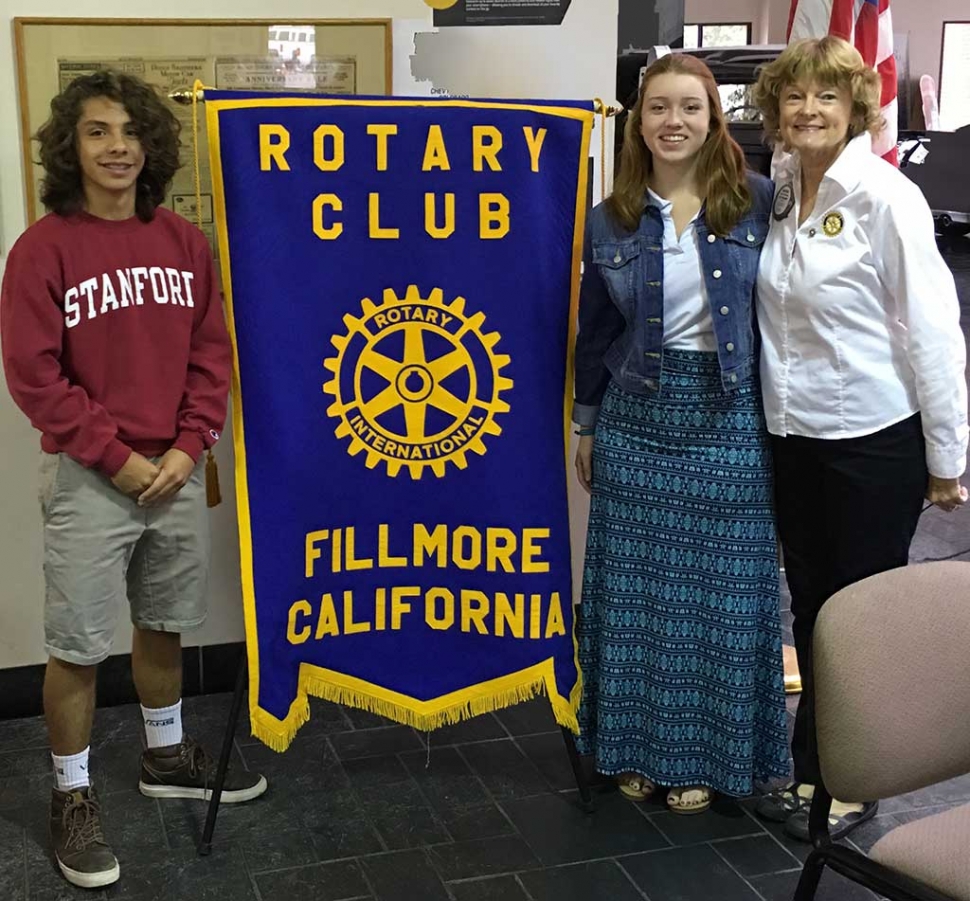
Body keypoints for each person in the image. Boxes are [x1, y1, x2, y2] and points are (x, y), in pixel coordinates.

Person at [0, 71, 267, 889]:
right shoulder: (42, 248)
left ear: (150, 144)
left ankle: (163, 755)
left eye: (129, 132)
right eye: (96, 131)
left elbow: (209, 353)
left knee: (163, 621)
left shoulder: (185, 243)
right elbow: (33, 374)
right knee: (78, 644)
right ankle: (72, 797)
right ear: (70, 147)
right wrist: (117, 456)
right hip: (92, 475)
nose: (116, 147)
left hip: (177, 470)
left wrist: (190, 446)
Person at [751, 37, 968, 842]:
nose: (809, 111)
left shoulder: (885, 195)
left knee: (861, 610)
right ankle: (817, 763)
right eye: (795, 97)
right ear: (774, 110)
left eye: (827, 99)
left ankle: (859, 774)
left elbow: (934, 332)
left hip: (873, 440)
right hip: (793, 435)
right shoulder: (779, 188)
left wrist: (947, 456)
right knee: (810, 604)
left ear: (854, 110)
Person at [573, 53, 790, 815]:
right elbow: (596, 330)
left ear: (713, 117)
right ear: (639, 119)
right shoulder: (612, 216)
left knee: (722, 599)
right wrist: (587, 426)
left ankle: (708, 757)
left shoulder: (760, 202)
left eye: (690, 108)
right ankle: (633, 749)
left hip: (730, 419)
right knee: (634, 598)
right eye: (659, 108)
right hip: (638, 422)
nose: (674, 122)